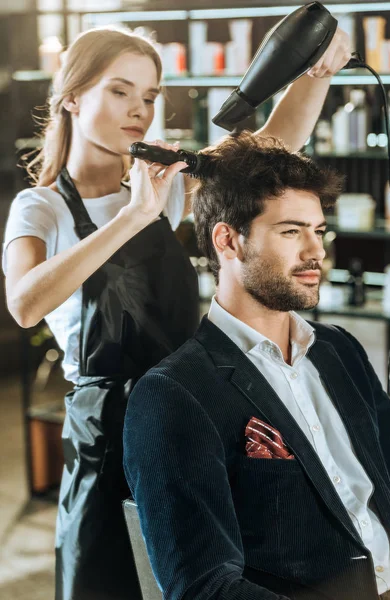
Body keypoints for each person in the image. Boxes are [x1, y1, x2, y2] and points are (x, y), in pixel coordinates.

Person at [3, 21, 351, 600]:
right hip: (107, 429)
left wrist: (320, 70)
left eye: (149, 96)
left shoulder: (162, 181)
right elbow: (24, 303)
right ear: (71, 98)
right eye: (120, 91)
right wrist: (132, 217)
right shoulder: (41, 208)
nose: (138, 109)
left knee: (202, 572)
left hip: (188, 408)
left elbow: (275, 138)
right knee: (108, 577)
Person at [123, 132, 390, 600]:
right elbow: (205, 587)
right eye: (292, 231)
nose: (316, 252)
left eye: (318, 230)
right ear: (228, 241)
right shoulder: (175, 394)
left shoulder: (341, 351)